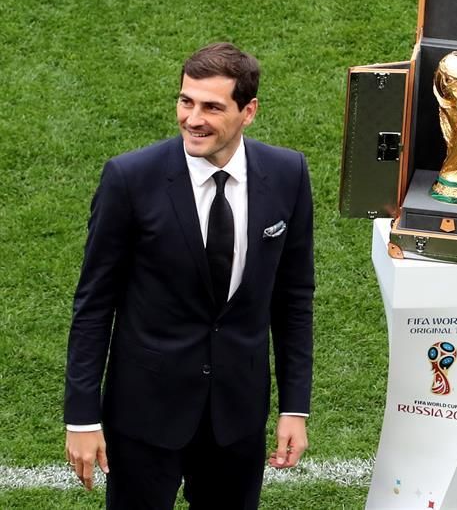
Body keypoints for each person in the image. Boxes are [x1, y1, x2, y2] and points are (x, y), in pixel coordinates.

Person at [63, 42, 315, 509]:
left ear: (249, 111)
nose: (193, 118)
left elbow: (294, 298)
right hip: (144, 416)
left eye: (212, 107)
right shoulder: (129, 178)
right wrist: (81, 416)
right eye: (186, 101)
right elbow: (95, 303)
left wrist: (294, 407)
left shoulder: (287, 174)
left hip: (237, 417)